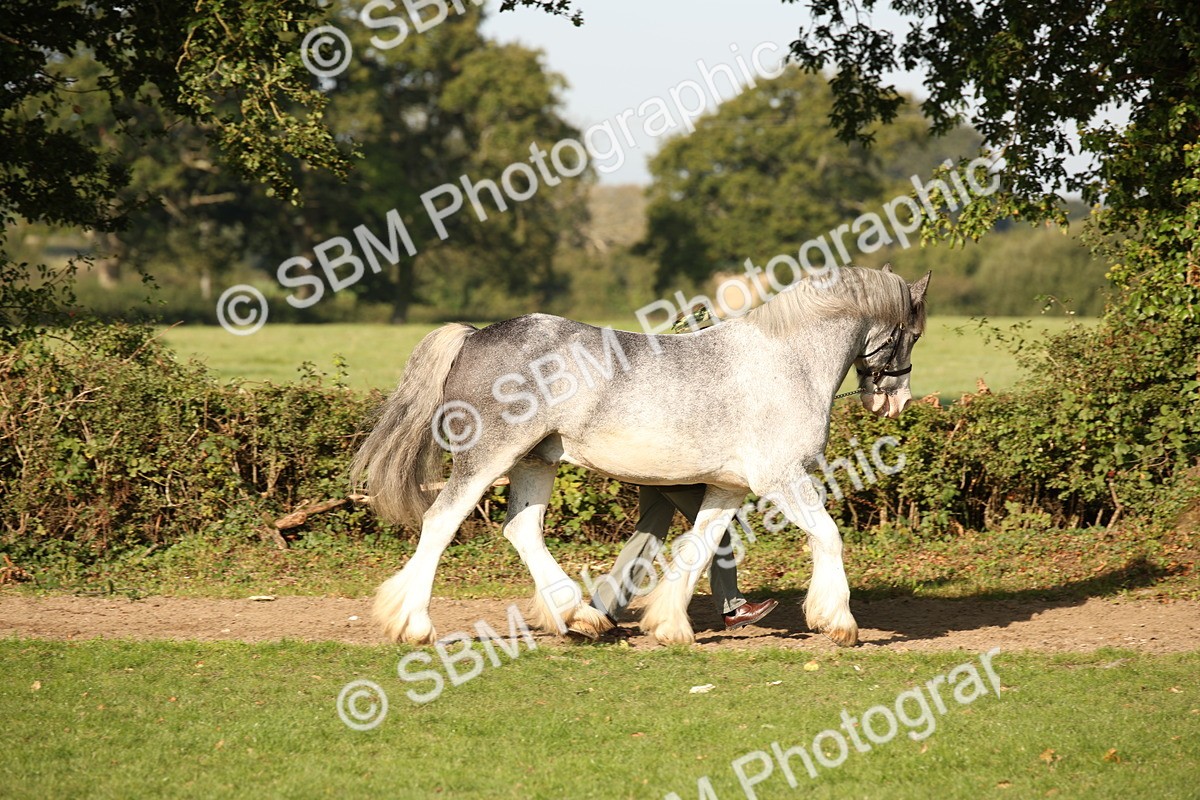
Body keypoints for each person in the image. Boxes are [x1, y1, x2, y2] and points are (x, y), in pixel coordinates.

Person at [589, 484, 779, 632]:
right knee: (716, 529)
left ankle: (600, 614)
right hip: (674, 469)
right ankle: (733, 608)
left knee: (648, 533)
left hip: (649, 465)